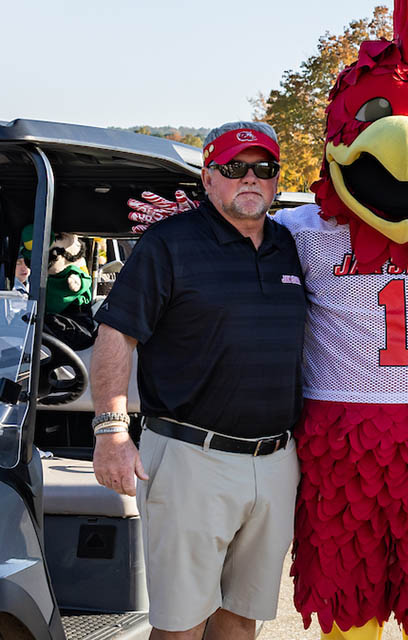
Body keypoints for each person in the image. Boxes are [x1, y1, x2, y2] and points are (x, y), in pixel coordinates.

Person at [91, 121, 306, 640]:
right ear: (208, 179)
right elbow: (117, 335)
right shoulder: (170, 244)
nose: (250, 179)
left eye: (264, 169)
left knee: (241, 618)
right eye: (234, 168)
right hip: (191, 459)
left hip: (275, 461)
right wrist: (110, 431)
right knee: (181, 625)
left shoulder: (291, 246)